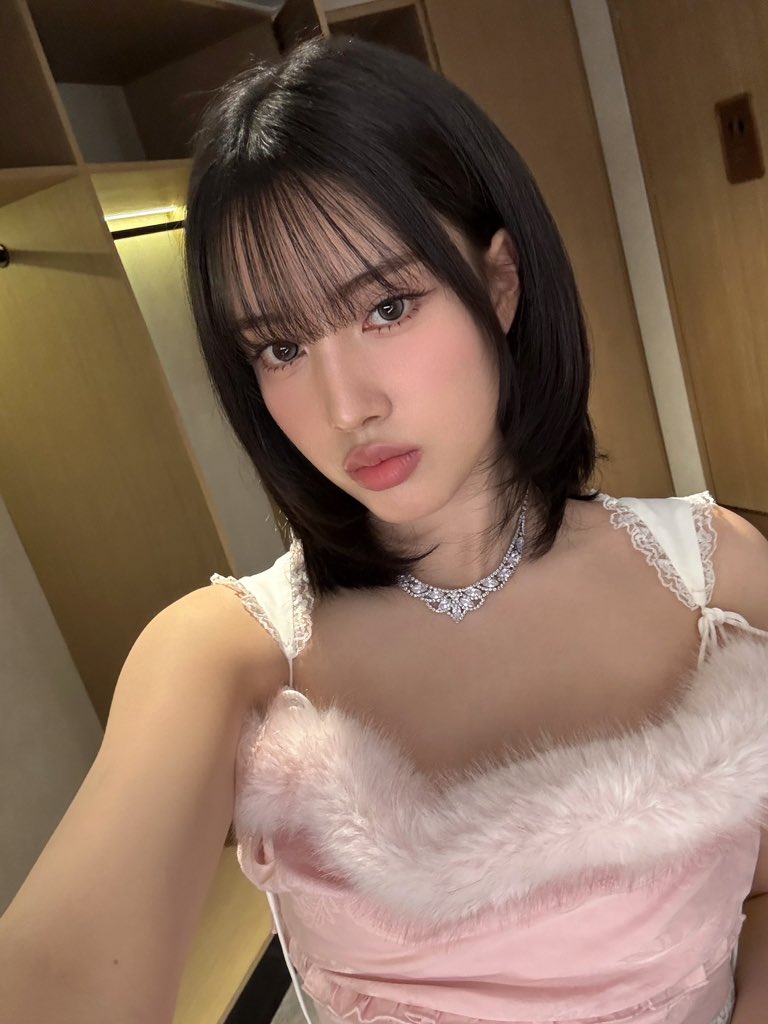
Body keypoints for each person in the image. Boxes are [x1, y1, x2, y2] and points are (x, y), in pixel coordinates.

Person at [2, 34, 768, 1024]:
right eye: (280, 347)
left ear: (499, 281)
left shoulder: (715, 573)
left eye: (388, 306)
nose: (344, 405)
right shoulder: (226, 657)